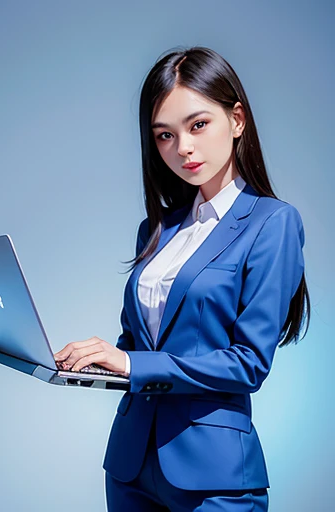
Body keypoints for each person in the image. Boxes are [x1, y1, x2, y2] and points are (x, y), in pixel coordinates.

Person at [53, 46, 311, 511]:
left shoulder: (272, 223)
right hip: (130, 467)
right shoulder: (157, 229)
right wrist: (93, 362)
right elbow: (138, 343)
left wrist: (131, 364)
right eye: (164, 135)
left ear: (237, 120)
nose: (183, 148)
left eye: (198, 125)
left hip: (212, 476)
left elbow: (248, 363)